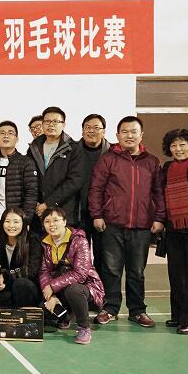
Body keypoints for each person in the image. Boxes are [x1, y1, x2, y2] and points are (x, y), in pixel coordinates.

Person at [89, 116, 165, 328]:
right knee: (111, 270)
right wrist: (97, 215)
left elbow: (158, 192)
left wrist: (159, 218)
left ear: (141, 135)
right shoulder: (107, 159)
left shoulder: (152, 161)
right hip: (112, 225)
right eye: (124, 132)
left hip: (141, 226)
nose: (129, 135)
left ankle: (137, 310)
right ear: (117, 135)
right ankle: (110, 308)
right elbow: (96, 189)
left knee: (136, 272)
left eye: (133, 131)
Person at [161, 129, 188, 334]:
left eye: (182, 144)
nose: (178, 149)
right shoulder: (167, 168)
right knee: (176, 274)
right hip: (174, 230)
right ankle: (178, 316)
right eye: (173, 145)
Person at [38, 207, 105, 345]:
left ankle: (84, 328)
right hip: (60, 287)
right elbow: (44, 272)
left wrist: (52, 286)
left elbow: (80, 274)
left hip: (86, 287)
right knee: (44, 309)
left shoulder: (79, 241)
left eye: (56, 220)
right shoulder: (45, 243)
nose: (51, 224)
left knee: (74, 290)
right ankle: (66, 315)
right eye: (47, 221)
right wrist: (51, 295)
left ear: (64, 222)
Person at [27, 106, 85, 229]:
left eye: (55, 121)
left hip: (63, 212)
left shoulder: (74, 149)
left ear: (63, 125)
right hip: (37, 212)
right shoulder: (33, 148)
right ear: (42, 124)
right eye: (47, 121)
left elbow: (75, 181)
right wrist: (34, 203)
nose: (51, 124)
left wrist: (48, 203)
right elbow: (29, 178)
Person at [0, 121, 39, 235]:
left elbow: (31, 193)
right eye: (2, 133)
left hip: (16, 219)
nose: (6, 136)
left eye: (10, 133)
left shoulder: (26, 162)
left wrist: (26, 219)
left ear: (17, 139)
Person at [0, 208, 42, 312]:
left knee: (21, 284)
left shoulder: (33, 240)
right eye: (7, 221)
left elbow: (31, 271)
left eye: (16, 222)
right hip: (6, 285)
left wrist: (5, 277)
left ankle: (26, 315)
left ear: (24, 224)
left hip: (27, 286)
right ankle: (8, 317)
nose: (11, 226)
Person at [78, 114, 111, 270]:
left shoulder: (113, 153)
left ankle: (100, 285)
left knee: (103, 258)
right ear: (82, 130)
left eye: (96, 128)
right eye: (88, 127)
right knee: (79, 257)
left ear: (103, 131)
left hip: (104, 214)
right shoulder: (72, 151)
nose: (92, 131)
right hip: (78, 212)